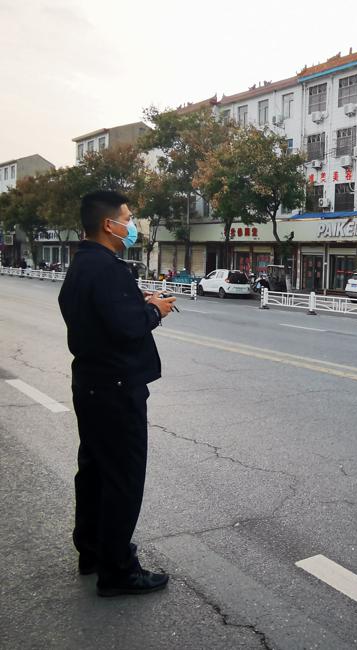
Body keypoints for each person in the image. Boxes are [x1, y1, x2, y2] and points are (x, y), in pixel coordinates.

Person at [58, 190, 176, 597]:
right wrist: (155, 309)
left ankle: (92, 550)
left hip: (91, 383)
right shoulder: (108, 268)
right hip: (116, 388)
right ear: (109, 225)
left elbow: (102, 315)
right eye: (127, 218)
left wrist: (135, 304)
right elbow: (127, 327)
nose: (132, 224)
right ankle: (118, 571)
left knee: (94, 473)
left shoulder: (82, 263)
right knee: (123, 479)